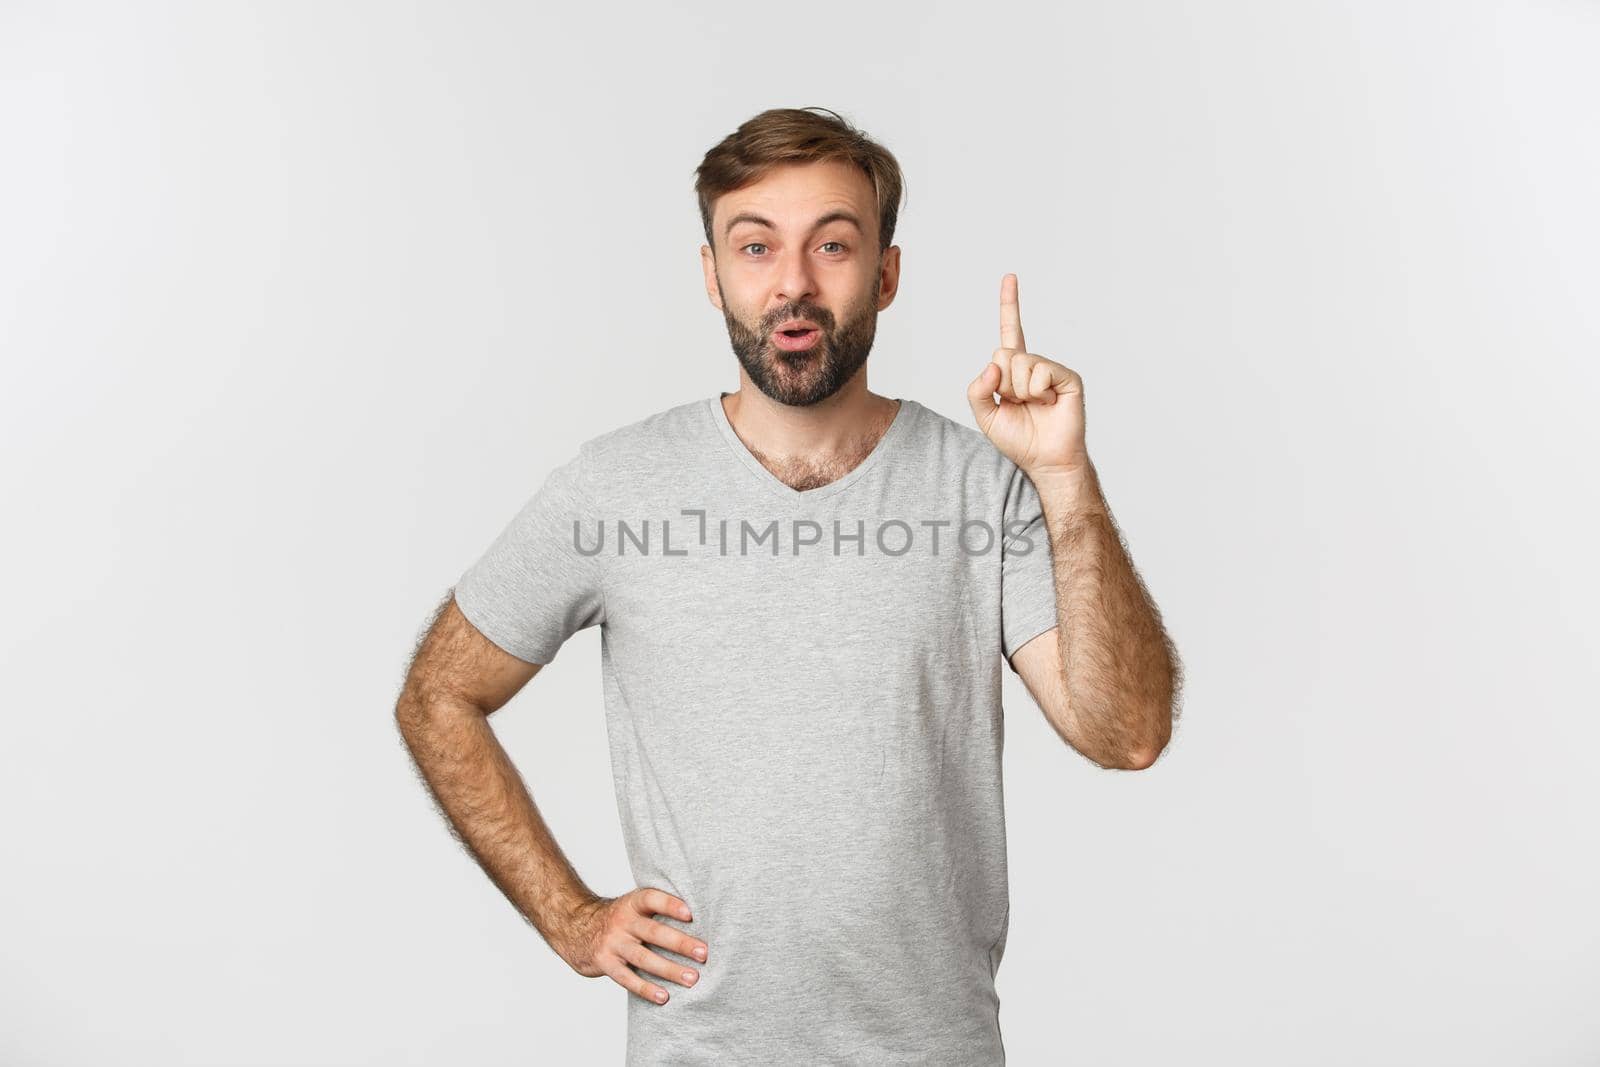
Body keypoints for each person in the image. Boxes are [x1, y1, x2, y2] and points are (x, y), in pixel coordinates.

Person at [394, 105, 1181, 1065]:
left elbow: (1126, 731)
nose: (794, 285)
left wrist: (1064, 476)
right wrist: (570, 917)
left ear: (886, 275)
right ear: (712, 272)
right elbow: (440, 693)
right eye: (756, 246)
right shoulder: (614, 488)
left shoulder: (982, 486)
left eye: (834, 246)